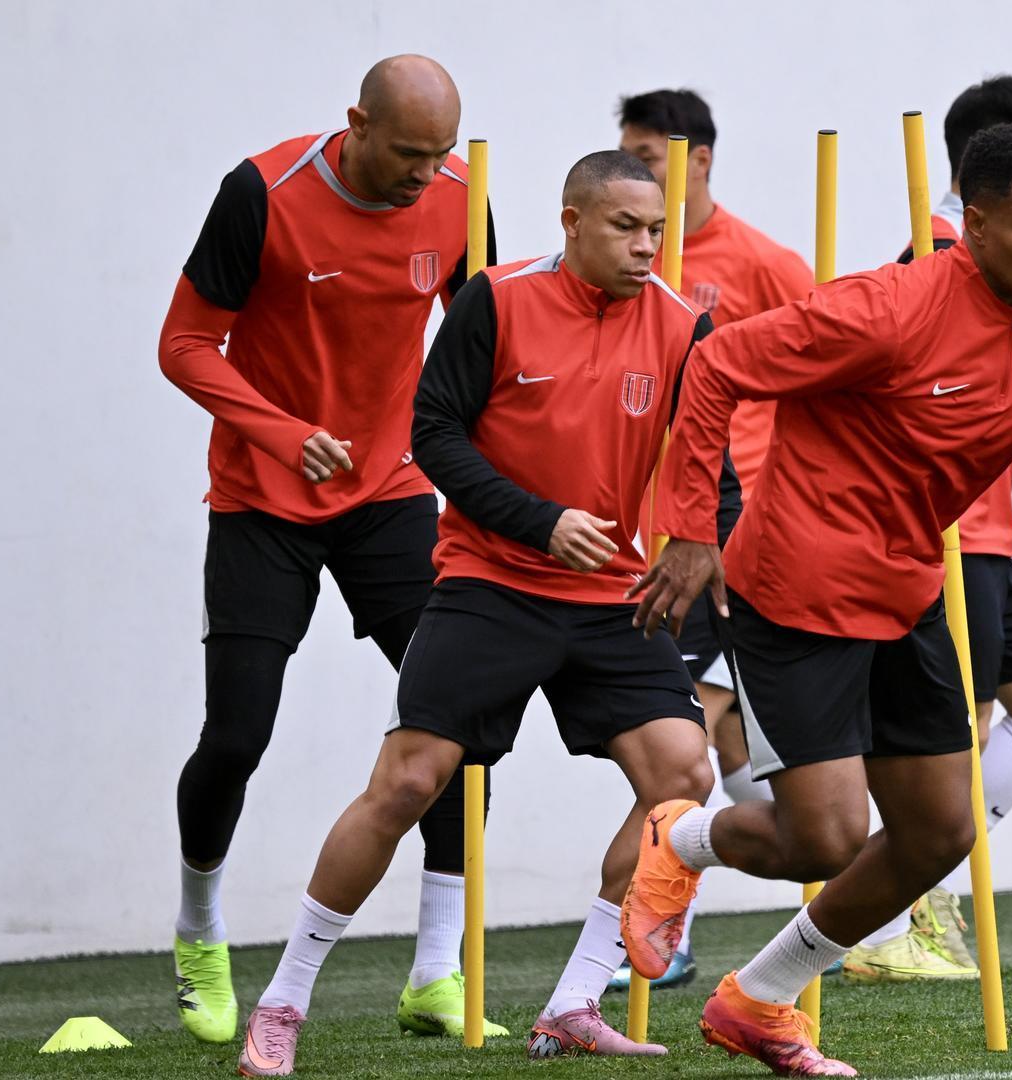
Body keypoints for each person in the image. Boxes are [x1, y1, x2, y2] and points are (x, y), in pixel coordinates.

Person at [625, 126, 1012, 1077]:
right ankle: (683, 836)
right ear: (975, 224)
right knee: (823, 840)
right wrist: (692, 529)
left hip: (908, 592)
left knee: (941, 832)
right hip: (797, 588)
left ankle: (757, 998)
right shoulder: (888, 308)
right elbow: (714, 366)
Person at [234, 150, 740, 1077]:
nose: (646, 246)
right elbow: (432, 434)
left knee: (682, 775)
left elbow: (713, 458)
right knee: (408, 783)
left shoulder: (683, 324)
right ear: (571, 222)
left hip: (608, 592)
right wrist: (541, 522)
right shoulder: (496, 301)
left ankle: (575, 1002)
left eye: (657, 230)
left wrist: (699, 542)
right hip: (489, 582)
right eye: (626, 228)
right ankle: (283, 1003)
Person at [158, 54, 504, 1044]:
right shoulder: (261, 193)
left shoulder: (461, 193)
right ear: (356, 123)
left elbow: (490, 345)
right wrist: (280, 433)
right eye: (407, 154)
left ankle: (436, 970)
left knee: (459, 723)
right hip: (263, 498)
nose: (424, 174)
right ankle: (199, 932)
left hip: (391, 492)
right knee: (237, 736)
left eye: (440, 153)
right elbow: (183, 345)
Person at [849, 75, 1012, 985]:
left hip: (990, 528)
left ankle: (921, 884)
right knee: (959, 732)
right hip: (950, 533)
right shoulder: (939, 254)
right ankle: (894, 914)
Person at [611, 86, 816, 991]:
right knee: (719, 744)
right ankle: (872, 892)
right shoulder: (628, 265)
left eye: (648, 160)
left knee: (689, 725)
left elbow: (825, 375)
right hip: (666, 523)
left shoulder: (765, 263)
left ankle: (659, 927)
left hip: (744, 524)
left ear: (699, 161)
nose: (634, 176)